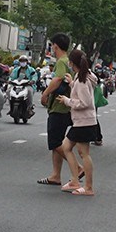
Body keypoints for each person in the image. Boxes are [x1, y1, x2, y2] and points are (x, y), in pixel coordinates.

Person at [37, 33, 82, 186]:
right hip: (63, 107)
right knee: (57, 142)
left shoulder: (62, 62)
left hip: (59, 106)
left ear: (55, 45)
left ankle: (78, 168)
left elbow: (57, 79)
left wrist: (45, 94)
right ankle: (56, 175)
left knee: (56, 142)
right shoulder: (67, 61)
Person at [57, 49, 98, 196]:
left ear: (72, 63)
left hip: (84, 122)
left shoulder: (82, 80)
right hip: (83, 121)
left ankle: (88, 187)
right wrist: (71, 83)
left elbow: (84, 102)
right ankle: (75, 180)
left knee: (83, 153)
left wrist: (67, 101)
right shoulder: (85, 77)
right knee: (66, 146)